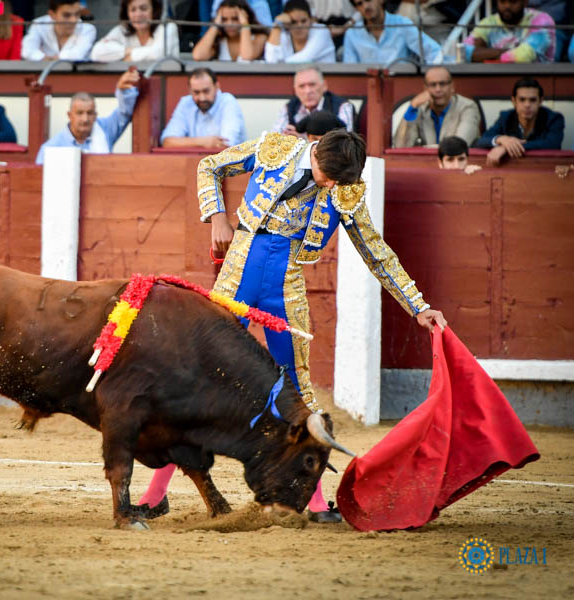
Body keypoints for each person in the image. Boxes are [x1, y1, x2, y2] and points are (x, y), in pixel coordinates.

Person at [134, 128, 447, 523]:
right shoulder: (274, 147)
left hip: (285, 286)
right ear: (316, 155)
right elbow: (210, 165)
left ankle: (315, 504)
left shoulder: (344, 187)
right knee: (197, 375)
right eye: (328, 178)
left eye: (338, 183)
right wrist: (218, 219)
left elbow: (376, 251)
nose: (331, 187)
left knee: (297, 389)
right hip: (237, 274)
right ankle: (155, 494)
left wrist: (418, 306)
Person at [36, 68, 141, 164]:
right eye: (79, 113)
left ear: (95, 115)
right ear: (69, 115)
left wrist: (123, 91)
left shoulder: (104, 129)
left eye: (90, 113)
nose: (85, 119)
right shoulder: (51, 148)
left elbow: (125, 112)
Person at [473, 78, 564, 167]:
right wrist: (500, 139)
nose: (527, 105)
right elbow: (481, 141)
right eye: (522, 99)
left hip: (544, 169)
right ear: (514, 101)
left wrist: (507, 147)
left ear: (540, 101)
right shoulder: (506, 117)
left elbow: (552, 143)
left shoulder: (553, 119)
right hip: (511, 170)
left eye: (532, 100)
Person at [392, 66, 481, 148]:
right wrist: (412, 108)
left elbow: (459, 146)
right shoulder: (420, 108)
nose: (438, 89)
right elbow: (400, 146)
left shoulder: (468, 107)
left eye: (442, 84)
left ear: (452, 87)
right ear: (425, 89)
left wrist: (425, 148)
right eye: (433, 85)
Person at [160, 67, 246, 149]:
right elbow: (167, 142)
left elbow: (225, 145)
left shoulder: (228, 101)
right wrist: (204, 142)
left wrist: (186, 142)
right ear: (190, 90)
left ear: (217, 87)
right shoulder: (186, 103)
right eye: (196, 92)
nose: (202, 98)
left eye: (206, 91)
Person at [342, 0, 443, 64]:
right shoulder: (352, 33)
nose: (365, 7)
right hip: (367, 88)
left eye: (368, 0)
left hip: (401, 86)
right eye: (360, 4)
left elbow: (434, 53)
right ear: (356, 9)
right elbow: (350, 70)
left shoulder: (402, 24)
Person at [463, 0, 555, 63]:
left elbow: (522, 57)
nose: (507, 6)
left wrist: (483, 53)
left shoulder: (542, 20)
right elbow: (464, 52)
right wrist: (511, 51)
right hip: (496, 80)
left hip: (535, 81)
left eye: (513, 1)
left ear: (525, 2)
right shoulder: (489, 22)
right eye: (502, 1)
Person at [271, 67, 355, 136]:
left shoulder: (342, 106)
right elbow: (274, 138)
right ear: (295, 90)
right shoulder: (289, 107)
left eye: (312, 85)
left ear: (324, 86)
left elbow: (346, 142)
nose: (307, 91)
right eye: (302, 86)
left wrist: (303, 143)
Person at [90, 0, 179, 62]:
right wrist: (128, 51)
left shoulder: (168, 27)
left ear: (154, 10)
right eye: (133, 10)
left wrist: (127, 56)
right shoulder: (122, 30)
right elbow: (96, 53)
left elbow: (158, 54)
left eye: (143, 9)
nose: (138, 14)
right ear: (127, 13)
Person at [192, 0, 267, 62]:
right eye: (224, 19)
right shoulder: (219, 39)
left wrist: (245, 25)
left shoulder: (260, 37)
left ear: (246, 17)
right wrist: (215, 25)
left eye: (235, 19)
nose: (230, 24)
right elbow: (198, 56)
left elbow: (246, 57)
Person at [21, 0, 96, 61]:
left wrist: (46, 59)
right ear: (52, 14)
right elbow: (27, 51)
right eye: (67, 15)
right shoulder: (39, 24)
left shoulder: (88, 29)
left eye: (77, 14)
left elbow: (78, 55)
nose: (73, 20)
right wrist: (44, 58)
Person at [264, 0, 336, 63]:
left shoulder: (321, 31)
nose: (299, 26)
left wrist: (278, 64)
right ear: (286, 23)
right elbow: (270, 60)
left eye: (303, 21)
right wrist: (277, 26)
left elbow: (304, 59)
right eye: (294, 22)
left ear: (311, 20)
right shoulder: (284, 35)